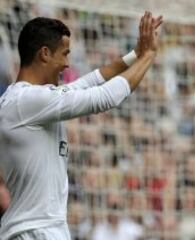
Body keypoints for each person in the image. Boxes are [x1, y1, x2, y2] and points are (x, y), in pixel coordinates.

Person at [0, 11, 162, 240]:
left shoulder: (26, 99)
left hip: (37, 228)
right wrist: (149, 55)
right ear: (44, 54)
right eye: (64, 54)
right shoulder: (26, 101)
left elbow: (89, 82)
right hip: (35, 231)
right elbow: (104, 98)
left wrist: (135, 54)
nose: (67, 64)